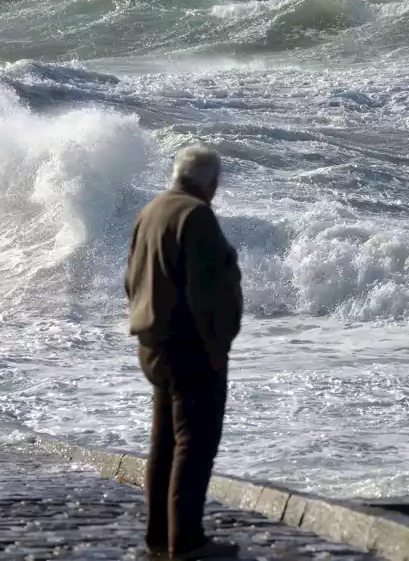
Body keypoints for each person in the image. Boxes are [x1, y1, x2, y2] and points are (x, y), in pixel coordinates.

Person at [126, 146, 243, 559]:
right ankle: (187, 541)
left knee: (163, 445)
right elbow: (207, 293)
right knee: (194, 443)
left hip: (152, 343)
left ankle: (159, 535)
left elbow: (130, 280)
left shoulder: (152, 210)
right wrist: (217, 349)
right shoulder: (196, 216)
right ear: (211, 183)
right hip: (190, 347)